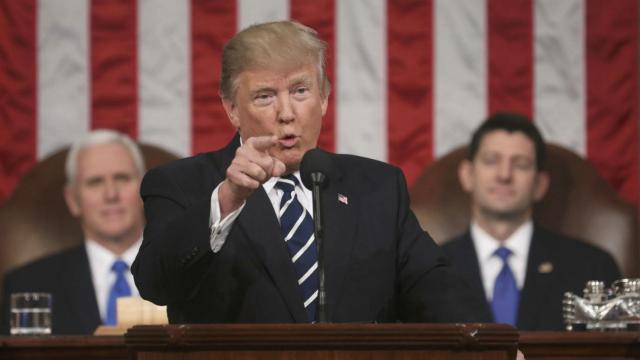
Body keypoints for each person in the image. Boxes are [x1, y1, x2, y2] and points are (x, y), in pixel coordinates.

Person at [132, 20, 488, 324]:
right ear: (232, 109)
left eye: (300, 91)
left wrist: (492, 345)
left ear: (324, 98)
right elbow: (154, 284)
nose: (286, 113)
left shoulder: (377, 187)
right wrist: (228, 199)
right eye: (265, 96)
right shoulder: (182, 185)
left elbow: (436, 286)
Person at [441, 113, 621, 331]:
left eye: (521, 164)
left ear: (540, 184)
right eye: (491, 161)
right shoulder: (428, 272)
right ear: (467, 175)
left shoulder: (592, 269)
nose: (504, 175)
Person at [1, 129, 146, 335]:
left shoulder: (194, 276)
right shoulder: (28, 285)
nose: (111, 194)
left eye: (122, 178)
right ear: (72, 200)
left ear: (145, 189)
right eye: (95, 182)